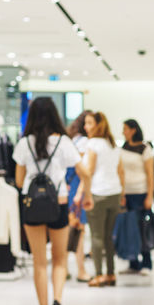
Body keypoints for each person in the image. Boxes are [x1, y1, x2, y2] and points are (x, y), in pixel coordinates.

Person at [13, 97, 84, 305]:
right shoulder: (64, 142)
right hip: (59, 203)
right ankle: (57, 303)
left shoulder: (24, 143)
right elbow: (83, 171)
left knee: (39, 261)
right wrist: (87, 194)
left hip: (32, 204)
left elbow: (20, 180)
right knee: (60, 258)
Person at [75, 111, 124, 287]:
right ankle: (111, 274)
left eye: (89, 123)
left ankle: (98, 275)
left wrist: (81, 192)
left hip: (98, 193)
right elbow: (120, 172)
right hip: (114, 193)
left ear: (98, 125)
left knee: (96, 236)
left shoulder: (93, 144)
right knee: (108, 237)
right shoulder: (113, 145)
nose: (86, 127)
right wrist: (122, 194)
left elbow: (89, 171)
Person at [119, 119, 154, 275]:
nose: (123, 132)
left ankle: (147, 263)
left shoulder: (145, 149)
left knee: (142, 228)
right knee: (128, 229)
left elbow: (150, 174)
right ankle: (133, 262)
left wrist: (149, 196)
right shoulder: (123, 148)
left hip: (140, 192)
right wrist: (121, 194)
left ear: (133, 130)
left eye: (125, 129)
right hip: (126, 193)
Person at [65, 110, 93, 283]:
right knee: (79, 229)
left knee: (69, 228)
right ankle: (81, 270)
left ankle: (65, 268)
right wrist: (81, 192)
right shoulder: (84, 143)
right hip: (77, 188)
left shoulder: (72, 140)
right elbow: (82, 170)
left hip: (69, 186)